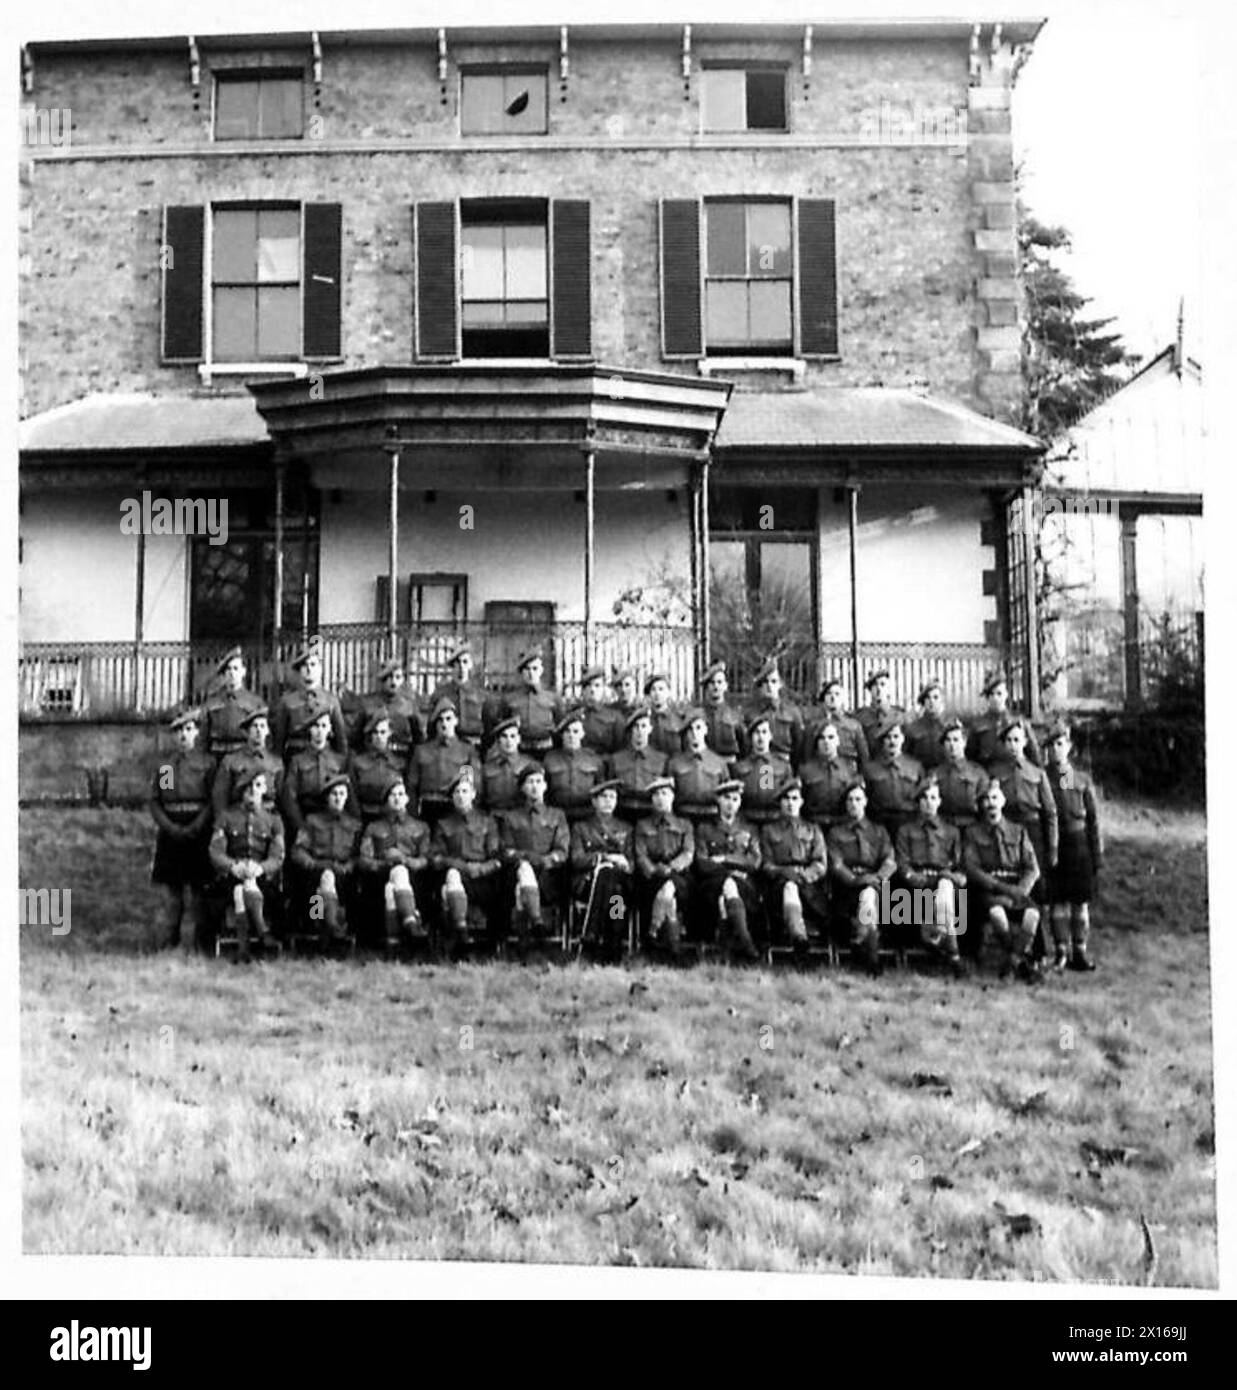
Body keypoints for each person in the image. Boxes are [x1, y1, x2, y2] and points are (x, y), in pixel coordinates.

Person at [962, 781, 1043, 981]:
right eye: (987, 799)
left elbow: (1032, 868)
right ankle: (1021, 962)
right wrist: (1002, 889)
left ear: (1003, 801)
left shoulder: (1018, 831)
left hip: (1017, 889)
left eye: (995, 798)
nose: (991, 803)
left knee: (1032, 916)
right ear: (981, 805)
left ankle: (1013, 961)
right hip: (990, 889)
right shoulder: (973, 833)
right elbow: (972, 869)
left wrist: (1021, 891)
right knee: (997, 914)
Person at [149, 707, 215, 952]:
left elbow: (212, 800)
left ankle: (200, 944)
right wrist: (169, 826)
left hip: (198, 830)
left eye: (188, 729)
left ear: (197, 732)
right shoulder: (166, 767)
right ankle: (169, 942)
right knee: (172, 892)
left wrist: (198, 825)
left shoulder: (207, 764)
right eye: (178, 731)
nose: (183, 736)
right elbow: (157, 800)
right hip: (172, 831)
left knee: (199, 891)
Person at [208, 767, 284, 961]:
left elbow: (277, 856)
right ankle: (262, 933)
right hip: (231, 877)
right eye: (247, 787)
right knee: (235, 890)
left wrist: (260, 868)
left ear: (265, 789)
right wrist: (233, 866)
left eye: (257, 786)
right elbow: (215, 852)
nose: (252, 791)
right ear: (240, 791)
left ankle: (244, 949)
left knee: (244, 891)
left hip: (262, 879)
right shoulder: (225, 817)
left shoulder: (274, 820)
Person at [894, 775, 967, 975]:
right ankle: (952, 953)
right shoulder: (905, 831)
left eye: (933, 798)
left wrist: (950, 878)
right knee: (941, 891)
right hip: (915, 887)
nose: (929, 803)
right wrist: (922, 881)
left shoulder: (952, 832)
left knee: (945, 886)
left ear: (940, 801)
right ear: (918, 803)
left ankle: (937, 940)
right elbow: (902, 865)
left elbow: (960, 867)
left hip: (946, 886)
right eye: (924, 798)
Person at [1044, 722, 1102, 972]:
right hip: (1054, 844)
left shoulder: (1077, 778)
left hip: (1078, 844)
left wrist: (1097, 853)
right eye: (1052, 745)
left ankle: (1080, 950)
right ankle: (1061, 952)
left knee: (1079, 902)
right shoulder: (1043, 777)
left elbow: (1093, 819)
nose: (1056, 749)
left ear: (1069, 746)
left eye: (1060, 744)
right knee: (1057, 902)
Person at [826, 779, 896, 975]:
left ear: (865, 802)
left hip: (877, 888)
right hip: (847, 891)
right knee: (866, 897)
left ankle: (862, 945)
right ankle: (871, 957)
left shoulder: (879, 831)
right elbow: (837, 865)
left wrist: (877, 879)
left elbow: (890, 861)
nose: (853, 804)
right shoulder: (835, 833)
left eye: (858, 799)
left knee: (869, 897)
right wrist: (858, 881)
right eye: (849, 800)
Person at [430, 770, 502, 948]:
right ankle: (461, 932)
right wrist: (460, 866)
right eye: (456, 792)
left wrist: (481, 869)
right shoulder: (443, 824)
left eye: (464, 791)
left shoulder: (487, 822)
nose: (461, 796)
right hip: (454, 875)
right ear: (451, 798)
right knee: (451, 878)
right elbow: (436, 857)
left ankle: (489, 944)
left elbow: (496, 856)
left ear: (473, 794)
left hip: (482, 879)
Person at [499, 764, 570, 943]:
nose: (534, 786)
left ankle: (524, 943)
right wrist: (526, 858)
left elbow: (562, 851)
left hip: (549, 876)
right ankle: (536, 922)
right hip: (516, 874)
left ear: (545, 786)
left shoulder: (557, 815)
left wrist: (547, 860)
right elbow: (506, 851)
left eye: (539, 781)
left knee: (522, 885)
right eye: (530, 782)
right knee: (523, 871)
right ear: (522, 788)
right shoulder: (510, 817)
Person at [358, 774, 431, 948]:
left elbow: (426, 859)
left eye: (400, 794)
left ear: (407, 798)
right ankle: (411, 922)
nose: (397, 799)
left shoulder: (421, 827)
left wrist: (404, 860)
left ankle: (394, 939)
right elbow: (363, 859)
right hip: (380, 876)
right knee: (395, 876)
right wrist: (385, 864)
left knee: (393, 886)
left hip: (413, 878)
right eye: (392, 795)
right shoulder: (373, 827)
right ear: (385, 801)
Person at [290, 774, 361, 949]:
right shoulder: (312, 821)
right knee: (322, 884)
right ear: (327, 798)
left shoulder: (354, 825)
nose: (338, 798)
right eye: (334, 794)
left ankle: (326, 925)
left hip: (344, 874)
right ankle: (326, 925)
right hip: (316, 871)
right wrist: (315, 864)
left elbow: (359, 854)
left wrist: (349, 866)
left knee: (331, 882)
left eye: (342, 794)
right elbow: (298, 850)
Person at [694, 780, 762, 960]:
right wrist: (733, 870)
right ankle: (745, 940)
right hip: (711, 885)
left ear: (740, 802)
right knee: (727, 886)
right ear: (718, 800)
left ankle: (726, 948)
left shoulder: (750, 829)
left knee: (726, 897)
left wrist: (725, 859)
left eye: (735, 799)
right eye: (726, 798)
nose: (731, 803)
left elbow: (755, 862)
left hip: (745, 887)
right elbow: (702, 863)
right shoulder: (704, 828)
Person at [760, 778, 831, 951]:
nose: (790, 803)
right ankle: (799, 938)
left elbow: (820, 864)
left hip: (809, 888)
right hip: (778, 887)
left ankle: (799, 937)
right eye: (786, 799)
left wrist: (804, 876)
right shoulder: (769, 830)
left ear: (801, 802)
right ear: (780, 803)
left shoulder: (812, 829)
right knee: (789, 887)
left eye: (794, 798)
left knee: (794, 887)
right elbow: (766, 865)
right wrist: (785, 873)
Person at [995, 720, 1058, 911]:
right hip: (1008, 830)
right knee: (1011, 879)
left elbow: (1050, 813)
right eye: (1009, 740)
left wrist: (1053, 847)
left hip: (1033, 830)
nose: (1013, 744)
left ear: (1024, 742)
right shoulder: (996, 773)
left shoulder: (1037, 773)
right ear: (1004, 744)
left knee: (1037, 884)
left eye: (1017, 739)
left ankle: (1040, 932)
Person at [569, 778, 635, 958]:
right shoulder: (581, 828)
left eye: (612, 797)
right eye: (604, 797)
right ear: (594, 801)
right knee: (613, 886)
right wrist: (605, 858)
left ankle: (592, 931)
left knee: (613, 880)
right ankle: (613, 944)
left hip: (620, 880)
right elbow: (577, 859)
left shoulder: (626, 828)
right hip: (587, 883)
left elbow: (632, 863)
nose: (608, 801)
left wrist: (625, 863)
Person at [633, 777, 694, 956]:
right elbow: (640, 855)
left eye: (665, 794)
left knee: (669, 889)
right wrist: (653, 870)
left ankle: (653, 930)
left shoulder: (685, 825)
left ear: (673, 797)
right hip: (651, 877)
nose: (661, 798)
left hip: (679, 876)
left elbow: (688, 853)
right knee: (669, 898)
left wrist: (672, 868)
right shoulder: (642, 825)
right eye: (656, 795)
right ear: (651, 800)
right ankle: (674, 947)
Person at [408, 698, 482, 827]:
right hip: (428, 808)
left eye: (448, 719)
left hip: (453, 807)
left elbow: (471, 784)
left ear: (456, 721)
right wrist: (413, 814)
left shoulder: (466, 751)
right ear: (435, 724)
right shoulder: (422, 750)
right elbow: (412, 785)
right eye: (440, 720)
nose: (444, 724)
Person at [271, 639, 349, 760]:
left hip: (323, 758)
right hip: (294, 757)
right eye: (304, 666)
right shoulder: (287, 701)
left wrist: (341, 763)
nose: (309, 669)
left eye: (313, 665)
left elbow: (340, 739)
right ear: (299, 671)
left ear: (320, 668)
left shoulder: (330, 701)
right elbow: (279, 741)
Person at [280, 709, 351, 838]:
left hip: (331, 819)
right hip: (304, 815)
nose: (320, 731)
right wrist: (301, 826)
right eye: (316, 726)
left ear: (330, 730)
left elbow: (347, 794)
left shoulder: (338, 760)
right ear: (309, 730)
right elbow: (289, 797)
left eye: (324, 726)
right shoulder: (298, 760)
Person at [212, 705, 282, 817]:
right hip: (237, 818)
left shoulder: (276, 763)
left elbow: (281, 799)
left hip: (267, 820)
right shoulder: (231, 760)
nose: (259, 730)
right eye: (255, 726)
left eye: (263, 726)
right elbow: (220, 797)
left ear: (268, 731)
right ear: (247, 731)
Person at [862, 717, 924, 837]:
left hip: (908, 821)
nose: (892, 741)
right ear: (882, 741)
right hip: (879, 823)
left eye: (896, 736)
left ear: (903, 739)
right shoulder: (870, 769)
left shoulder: (915, 767)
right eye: (888, 737)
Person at [350, 657, 423, 758]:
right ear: (382, 679)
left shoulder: (409, 706)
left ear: (402, 679)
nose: (393, 682)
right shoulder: (368, 704)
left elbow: (419, 739)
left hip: (401, 760)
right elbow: (355, 739)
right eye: (389, 677)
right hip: (373, 760)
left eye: (398, 677)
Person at [202, 647, 265, 762]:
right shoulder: (212, 701)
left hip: (242, 752)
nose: (231, 673)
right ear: (224, 674)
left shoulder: (254, 702)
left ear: (243, 672)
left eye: (236, 668)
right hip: (217, 753)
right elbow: (204, 732)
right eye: (228, 669)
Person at [667, 708, 730, 824]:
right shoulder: (674, 763)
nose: (695, 733)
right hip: (683, 816)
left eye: (698, 728)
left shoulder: (719, 763)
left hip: (711, 817)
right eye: (690, 730)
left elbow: (727, 795)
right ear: (686, 733)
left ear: (706, 729)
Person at [729, 713, 793, 827]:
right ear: (750, 737)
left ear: (770, 736)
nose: (760, 737)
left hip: (774, 821)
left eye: (764, 732)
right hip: (747, 820)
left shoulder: (782, 767)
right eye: (756, 733)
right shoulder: (738, 768)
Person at [543, 708, 606, 823]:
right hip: (558, 814)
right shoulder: (550, 759)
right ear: (562, 735)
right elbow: (544, 792)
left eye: (575, 731)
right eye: (567, 731)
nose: (571, 735)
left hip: (586, 815)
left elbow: (600, 789)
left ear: (582, 734)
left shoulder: (593, 759)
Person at [967, 673, 1040, 772]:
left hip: (1016, 774)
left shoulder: (1019, 723)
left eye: (999, 693)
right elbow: (971, 758)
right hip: (989, 774)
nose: (995, 698)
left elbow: (1034, 754)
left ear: (1006, 694)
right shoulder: (978, 725)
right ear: (987, 698)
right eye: (991, 694)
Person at [608, 706, 669, 822]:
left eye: (644, 726)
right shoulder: (616, 759)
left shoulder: (661, 759)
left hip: (650, 812)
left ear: (650, 729)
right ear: (630, 730)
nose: (640, 731)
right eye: (636, 726)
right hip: (623, 812)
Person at [743, 660, 806, 767]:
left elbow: (799, 746)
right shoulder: (751, 713)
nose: (769, 686)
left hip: (784, 766)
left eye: (773, 681)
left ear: (780, 684)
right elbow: (745, 746)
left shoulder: (792, 712)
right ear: (760, 686)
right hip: (758, 765)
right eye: (765, 682)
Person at [799, 721, 859, 833]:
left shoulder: (849, 769)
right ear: (816, 743)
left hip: (842, 826)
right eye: (822, 738)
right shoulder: (805, 770)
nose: (826, 742)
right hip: (814, 825)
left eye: (831, 737)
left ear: (838, 741)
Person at [348, 712, 406, 824]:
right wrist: (356, 817)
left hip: (391, 817)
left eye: (383, 732)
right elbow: (352, 793)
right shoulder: (358, 763)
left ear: (390, 733)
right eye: (375, 732)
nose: (379, 736)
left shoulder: (399, 763)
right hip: (365, 816)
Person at [499, 650, 560, 755]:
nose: (531, 673)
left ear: (541, 670)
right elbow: (504, 725)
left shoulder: (552, 698)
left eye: (535, 668)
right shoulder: (510, 699)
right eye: (527, 669)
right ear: (522, 673)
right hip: (521, 750)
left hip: (547, 750)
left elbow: (560, 725)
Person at [935, 718, 990, 832]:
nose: (952, 745)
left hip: (972, 828)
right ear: (943, 745)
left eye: (956, 740)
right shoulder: (935, 774)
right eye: (948, 740)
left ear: (964, 742)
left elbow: (985, 807)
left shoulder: (978, 773)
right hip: (944, 829)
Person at [429, 644, 488, 746]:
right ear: (452, 667)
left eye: (465, 662)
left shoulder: (480, 694)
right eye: (457, 663)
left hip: (474, 744)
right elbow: (431, 725)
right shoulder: (441, 694)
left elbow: (488, 725)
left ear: (471, 665)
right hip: (449, 745)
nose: (461, 667)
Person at [480, 716, 536, 817]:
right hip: (494, 818)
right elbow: (480, 799)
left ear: (519, 739)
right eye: (504, 736)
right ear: (498, 741)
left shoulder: (529, 764)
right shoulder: (487, 768)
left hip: (520, 818)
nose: (509, 741)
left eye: (513, 736)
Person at [809, 677, 870, 766]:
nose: (833, 697)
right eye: (829, 694)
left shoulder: (853, 726)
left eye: (837, 694)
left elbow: (864, 758)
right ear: (824, 699)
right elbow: (808, 758)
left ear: (843, 698)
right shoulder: (815, 726)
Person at [699, 660, 745, 761]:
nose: (716, 686)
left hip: (730, 763)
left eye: (719, 682)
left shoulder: (734, 715)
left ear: (726, 686)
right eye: (712, 682)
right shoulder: (699, 715)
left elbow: (744, 745)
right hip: (707, 763)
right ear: (706, 687)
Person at [577, 665, 624, 756]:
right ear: (583, 691)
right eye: (588, 686)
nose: (592, 690)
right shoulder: (574, 715)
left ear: (603, 689)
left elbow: (621, 750)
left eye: (597, 686)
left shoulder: (614, 717)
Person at [904, 679, 950, 771]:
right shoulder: (913, 728)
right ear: (923, 702)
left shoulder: (950, 726)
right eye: (928, 698)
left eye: (935, 697)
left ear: (942, 701)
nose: (931, 701)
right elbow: (906, 758)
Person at [855, 669, 905, 753]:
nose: (879, 689)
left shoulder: (899, 715)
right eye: (875, 685)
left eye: (882, 684)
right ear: (870, 690)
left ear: (888, 689)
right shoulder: (861, 716)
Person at [644, 673, 683, 758]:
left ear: (668, 692)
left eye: (661, 689)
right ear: (650, 694)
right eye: (653, 689)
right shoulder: (645, 719)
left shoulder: (678, 719)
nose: (657, 693)